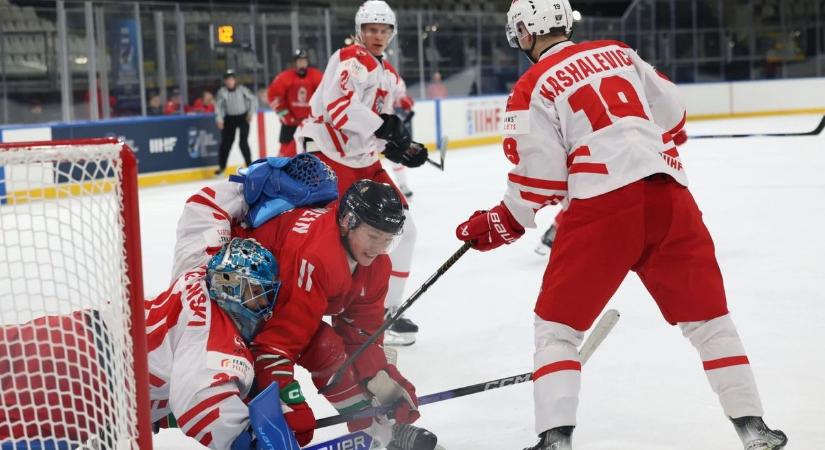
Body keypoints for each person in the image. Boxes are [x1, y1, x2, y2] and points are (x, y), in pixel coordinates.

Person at [454, 1, 788, 449]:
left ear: (526, 32)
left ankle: (555, 439)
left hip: (603, 211)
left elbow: (541, 179)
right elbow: (673, 112)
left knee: (557, 329)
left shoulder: (532, 85)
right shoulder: (619, 51)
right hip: (670, 198)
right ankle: (754, 428)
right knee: (710, 320)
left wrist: (501, 221)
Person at [171, 156, 429, 448]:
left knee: (326, 347)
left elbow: (361, 335)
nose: (379, 248)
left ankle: (378, 428)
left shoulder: (376, 264)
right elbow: (274, 346)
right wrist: (287, 404)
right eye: (373, 236)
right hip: (237, 294)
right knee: (230, 370)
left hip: (273, 299)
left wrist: (383, 378)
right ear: (347, 222)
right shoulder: (317, 255)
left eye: (387, 240)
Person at [0, 238, 286, 450]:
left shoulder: (197, 276)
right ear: (233, 288)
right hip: (85, 383)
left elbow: (175, 372)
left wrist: (159, 414)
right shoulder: (219, 336)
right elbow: (202, 405)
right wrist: (250, 441)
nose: (264, 304)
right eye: (257, 293)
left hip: (68, 333)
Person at [294, 0, 430, 346]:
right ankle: (325, 314)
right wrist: (385, 127)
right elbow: (339, 111)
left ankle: (387, 312)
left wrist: (400, 147)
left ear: (392, 33)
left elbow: (372, 128)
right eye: (371, 29)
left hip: (361, 162)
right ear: (359, 30)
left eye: (384, 30)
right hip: (329, 158)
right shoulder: (352, 59)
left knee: (405, 230)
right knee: (333, 241)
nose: (377, 35)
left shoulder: (387, 72)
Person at [266, 49, 323, 157]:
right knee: (284, 155)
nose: (302, 64)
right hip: (289, 124)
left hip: (309, 125)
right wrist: (284, 115)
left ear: (307, 62)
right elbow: (273, 96)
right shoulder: (284, 77)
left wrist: (317, 117)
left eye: (304, 61)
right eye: (299, 61)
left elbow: (325, 96)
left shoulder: (317, 76)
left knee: (312, 155)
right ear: (295, 63)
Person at [215, 70, 258, 175]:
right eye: (228, 80)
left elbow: (253, 99)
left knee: (243, 142)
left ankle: (249, 165)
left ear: (235, 80)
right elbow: (218, 107)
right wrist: (219, 119)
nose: (230, 82)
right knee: (226, 144)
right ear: (225, 81)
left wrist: (250, 113)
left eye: (232, 79)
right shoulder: (222, 92)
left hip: (243, 117)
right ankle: (222, 167)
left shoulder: (242, 90)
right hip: (229, 119)